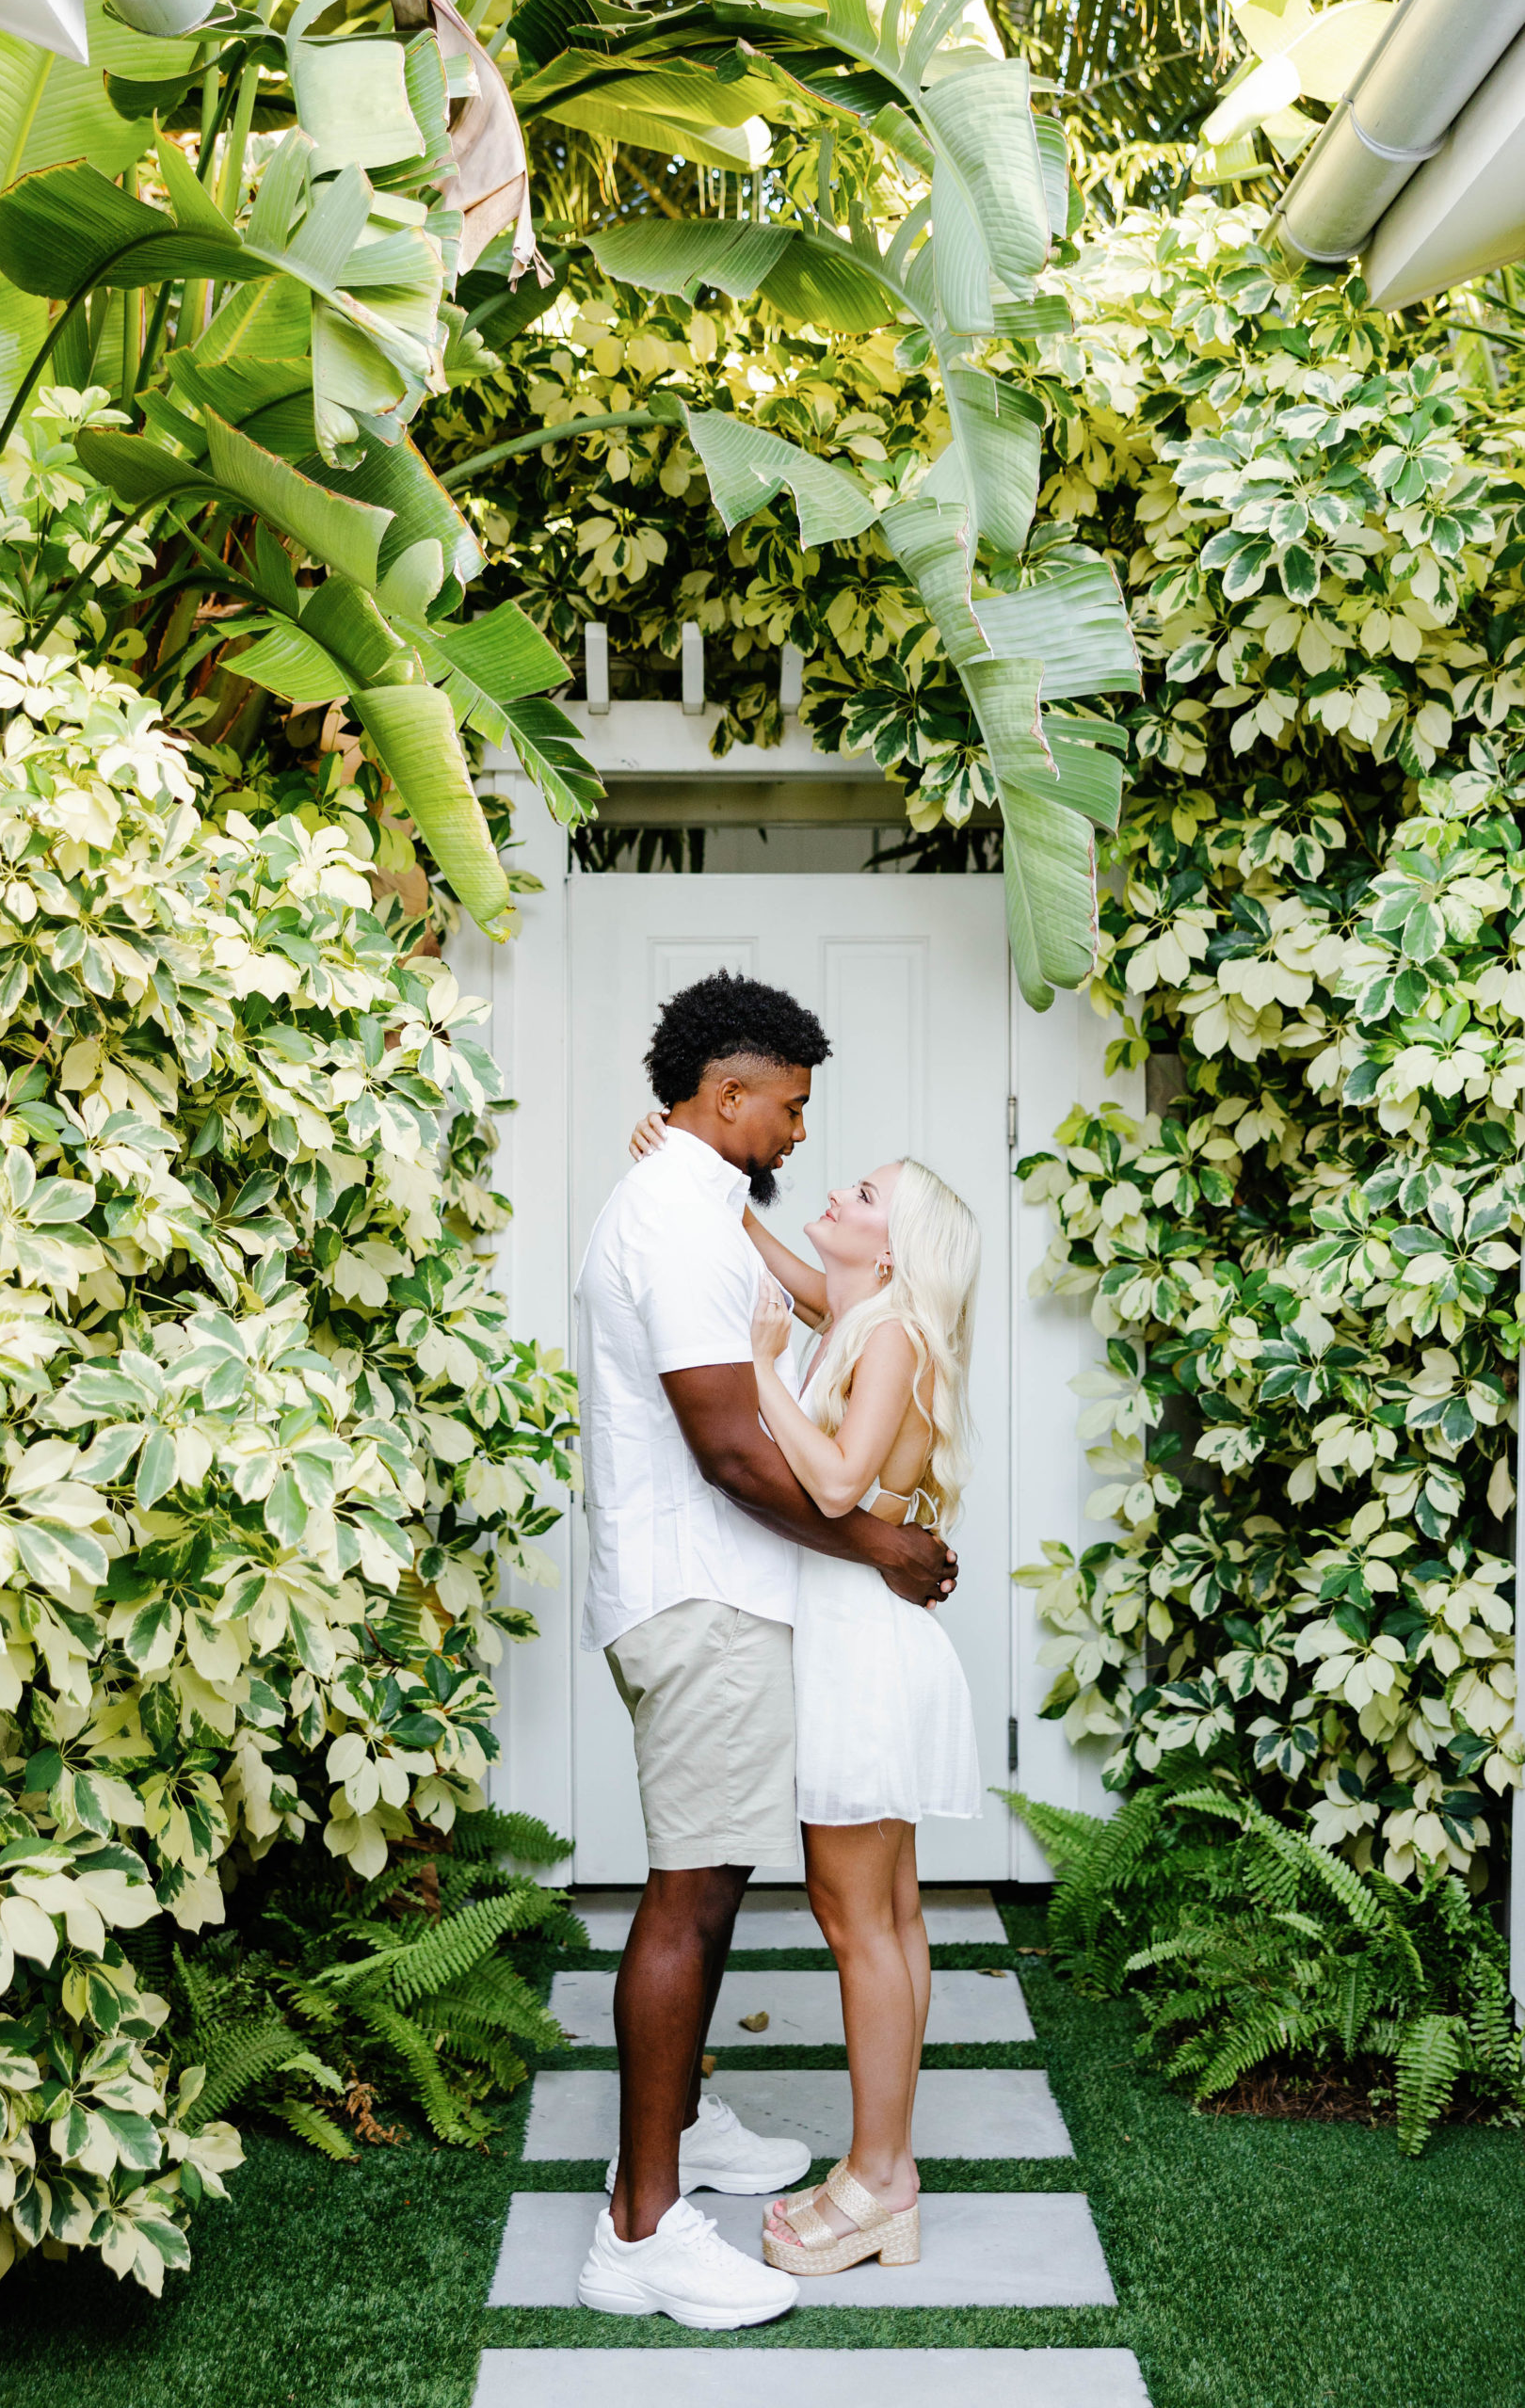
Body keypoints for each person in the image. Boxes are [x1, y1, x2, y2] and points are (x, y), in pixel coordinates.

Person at [575, 972, 957, 2333]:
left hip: (721, 1593)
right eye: (790, 1109)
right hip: (701, 1595)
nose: (801, 1135)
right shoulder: (672, 1221)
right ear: (725, 1097)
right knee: (688, 1893)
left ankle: (670, 2134)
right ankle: (643, 2230)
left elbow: (809, 1319)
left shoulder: (698, 1207)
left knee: (717, 1879)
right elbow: (731, 1449)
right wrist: (885, 1552)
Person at [628, 1117, 983, 2278]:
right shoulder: (867, 1319)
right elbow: (781, 1259)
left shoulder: (876, 1339)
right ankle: (888, 2171)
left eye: (865, 1190)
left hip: (864, 1659)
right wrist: (707, 1183)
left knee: (855, 1923)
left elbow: (833, 1485)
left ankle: (878, 2179)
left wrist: (764, 1374)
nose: (836, 1189)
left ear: (895, 1247)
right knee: (892, 1919)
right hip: (869, 1649)